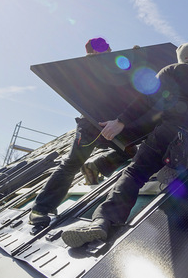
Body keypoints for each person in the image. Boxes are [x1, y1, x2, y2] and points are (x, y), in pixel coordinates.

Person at [61, 42, 188, 248]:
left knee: (134, 174)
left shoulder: (171, 70)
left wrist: (120, 121)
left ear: (180, 59)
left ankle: (103, 220)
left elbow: (147, 98)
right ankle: (178, 164)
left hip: (170, 131)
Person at [28, 37, 131, 226]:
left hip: (113, 125)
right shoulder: (85, 70)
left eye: (105, 50)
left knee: (132, 151)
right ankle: (39, 209)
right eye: (99, 52)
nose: (104, 53)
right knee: (71, 164)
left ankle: (98, 165)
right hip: (91, 126)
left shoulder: (116, 67)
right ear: (92, 53)